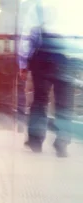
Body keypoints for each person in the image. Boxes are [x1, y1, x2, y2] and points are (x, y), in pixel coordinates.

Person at [19, 0, 83, 157]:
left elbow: (28, 34)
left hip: (44, 57)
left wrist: (23, 61)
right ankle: (62, 142)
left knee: (40, 99)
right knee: (65, 102)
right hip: (69, 57)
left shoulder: (40, 5)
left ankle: (35, 140)